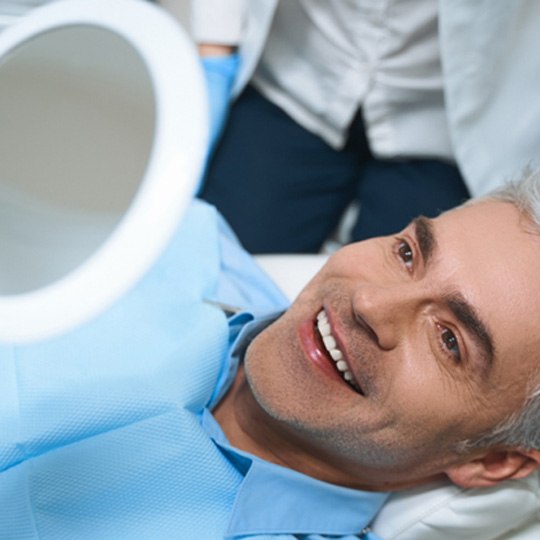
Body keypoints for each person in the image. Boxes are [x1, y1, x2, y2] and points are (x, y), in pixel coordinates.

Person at [3, 169, 540, 539]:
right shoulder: (178, 239)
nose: (370, 302)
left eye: (449, 341)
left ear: (492, 461)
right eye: (408, 253)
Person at [162, 0, 540, 254]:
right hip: (297, 81)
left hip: (443, 125)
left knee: (397, 323)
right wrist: (213, 51)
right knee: (211, 267)